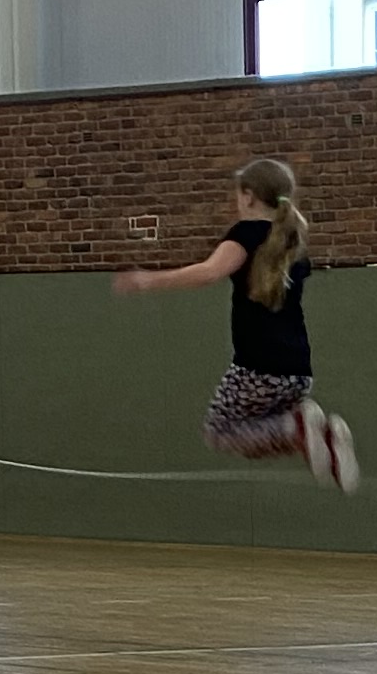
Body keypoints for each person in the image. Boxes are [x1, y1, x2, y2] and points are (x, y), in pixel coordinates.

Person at [113, 159, 359, 488]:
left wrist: (148, 280)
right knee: (263, 428)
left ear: (249, 196)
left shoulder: (246, 234)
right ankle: (321, 439)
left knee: (220, 431)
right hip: (298, 372)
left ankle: (295, 428)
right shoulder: (291, 241)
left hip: (256, 369)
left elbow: (209, 272)